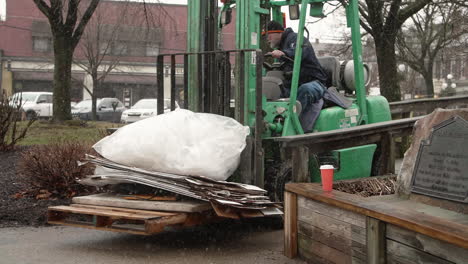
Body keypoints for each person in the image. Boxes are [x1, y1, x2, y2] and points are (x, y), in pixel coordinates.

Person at [264, 20, 328, 132]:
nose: (268, 39)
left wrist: (285, 53)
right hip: (296, 85)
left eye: (269, 35)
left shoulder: (295, 39)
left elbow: (298, 52)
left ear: (278, 33)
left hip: (315, 82)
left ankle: (294, 127)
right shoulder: (283, 44)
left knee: (305, 90)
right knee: (276, 92)